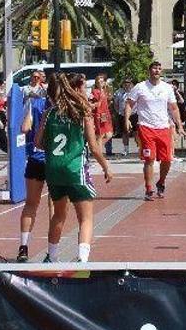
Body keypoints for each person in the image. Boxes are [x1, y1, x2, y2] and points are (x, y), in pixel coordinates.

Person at [36, 73, 112, 262]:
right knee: (85, 218)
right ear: (75, 89)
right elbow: (94, 148)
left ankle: (51, 257)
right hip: (74, 168)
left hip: (53, 170)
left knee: (59, 215)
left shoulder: (49, 113)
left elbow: (38, 142)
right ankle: (83, 259)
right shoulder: (82, 112)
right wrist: (106, 167)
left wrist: (54, 149)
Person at [125, 61, 184, 201]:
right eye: (154, 68)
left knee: (167, 160)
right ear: (149, 70)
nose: (157, 71)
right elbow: (129, 104)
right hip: (146, 127)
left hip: (163, 127)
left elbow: (174, 108)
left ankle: (161, 182)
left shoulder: (167, 88)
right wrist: (126, 119)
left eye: (159, 68)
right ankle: (149, 188)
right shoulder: (140, 87)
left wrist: (179, 126)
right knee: (149, 159)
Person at [16, 81, 50, 262]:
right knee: (56, 207)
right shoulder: (61, 108)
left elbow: (24, 128)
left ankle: (23, 247)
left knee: (31, 204)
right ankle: (53, 251)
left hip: (36, 159)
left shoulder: (33, 104)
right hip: (55, 161)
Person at [90, 74, 114, 156]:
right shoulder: (95, 91)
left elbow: (108, 101)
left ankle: (96, 148)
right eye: (99, 81)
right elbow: (91, 103)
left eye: (102, 81)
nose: (101, 83)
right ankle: (99, 153)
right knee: (100, 134)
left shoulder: (105, 91)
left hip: (105, 114)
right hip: (99, 114)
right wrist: (98, 102)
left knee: (109, 134)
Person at [113, 78, 134, 156]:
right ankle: (126, 149)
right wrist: (119, 112)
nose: (126, 84)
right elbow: (116, 104)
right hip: (122, 114)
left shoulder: (134, 91)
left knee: (136, 132)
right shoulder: (118, 92)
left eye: (128, 82)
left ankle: (140, 148)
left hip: (133, 114)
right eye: (125, 82)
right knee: (125, 132)